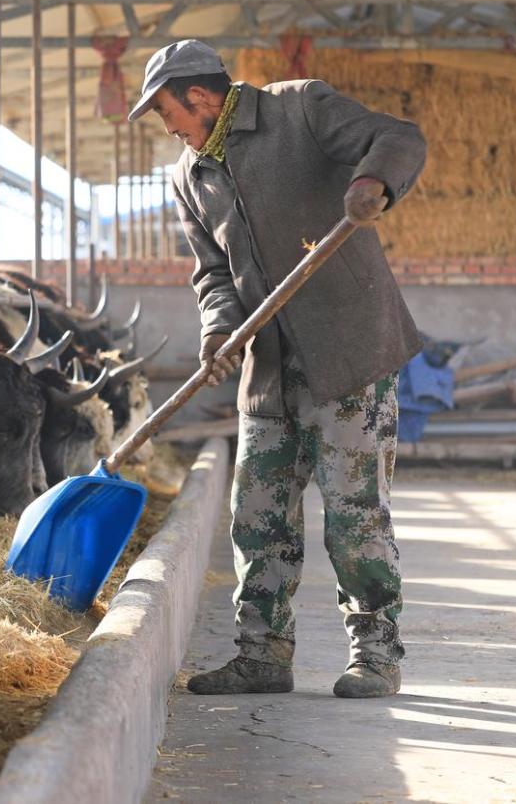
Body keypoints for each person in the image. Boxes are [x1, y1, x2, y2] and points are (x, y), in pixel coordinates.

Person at [127, 39, 426, 698]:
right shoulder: (189, 175)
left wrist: (372, 182)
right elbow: (212, 272)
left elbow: (398, 138)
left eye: (166, 111)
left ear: (199, 96)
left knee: (353, 515)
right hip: (266, 369)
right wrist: (217, 331)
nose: (167, 127)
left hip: (348, 352)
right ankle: (261, 655)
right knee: (256, 514)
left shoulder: (300, 109)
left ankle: (376, 654)